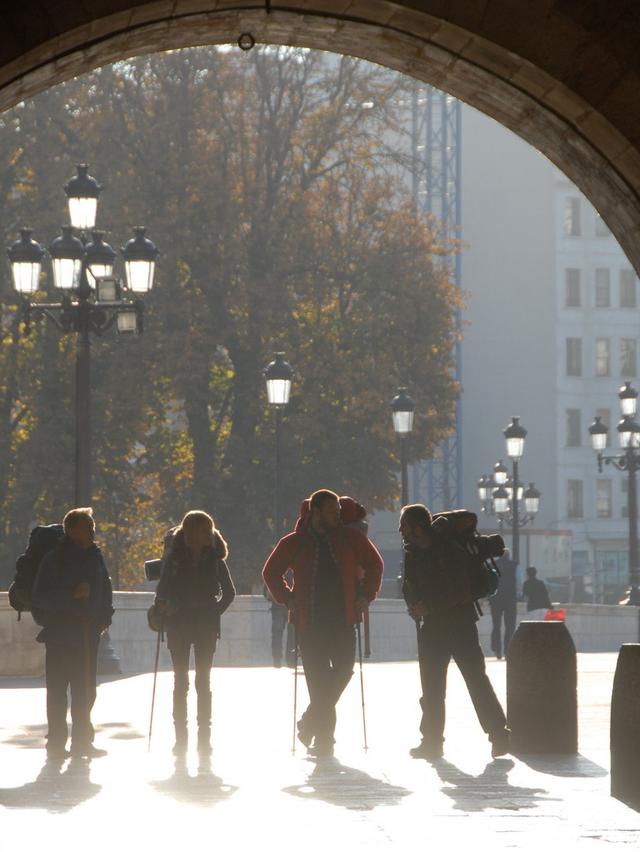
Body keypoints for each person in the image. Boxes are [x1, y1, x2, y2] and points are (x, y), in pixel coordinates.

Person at [262, 489, 383, 757]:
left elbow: (375, 564)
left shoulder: (350, 539)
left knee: (344, 671)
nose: (337, 517)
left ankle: (308, 722)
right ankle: (325, 740)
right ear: (315, 512)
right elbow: (270, 572)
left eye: (338, 512)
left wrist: (366, 595)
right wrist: (287, 598)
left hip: (343, 619)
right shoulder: (295, 542)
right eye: (331, 512)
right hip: (309, 622)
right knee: (317, 681)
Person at [400, 503, 510, 761]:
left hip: (460, 624)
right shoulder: (412, 553)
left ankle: (499, 735)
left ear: (418, 527)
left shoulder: (449, 551)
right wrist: (413, 605)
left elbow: (460, 590)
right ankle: (432, 741)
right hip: (432, 627)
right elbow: (408, 585)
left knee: (475, 680)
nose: (401, 531)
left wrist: (429, 605)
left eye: (404, 525)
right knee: (432, 687)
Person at [32, 507, 114, 760]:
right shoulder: (54, 560)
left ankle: (82, 742)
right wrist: (72, 595)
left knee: (86, 691)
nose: (93, 530)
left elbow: (106, 589)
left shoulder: (95, 556)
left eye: (92, 525)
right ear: (71, 530)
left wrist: (104, 618)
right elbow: (41, 598)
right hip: (60, 636)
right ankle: (56, 742)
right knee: (58, 691)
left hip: (88, 635)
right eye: (87, 526)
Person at [155, 510, 236, 756]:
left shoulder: (215, 559)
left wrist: (214, 612)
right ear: (191, 531)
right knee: (181, 682)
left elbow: (230, 592)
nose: (208, 534)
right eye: (203, 530)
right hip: (178, 624)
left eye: (209, 529)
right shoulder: (174, 558)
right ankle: (180, 737)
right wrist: (165, 605)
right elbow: (162, 590)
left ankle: (204, 736)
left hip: (204, 626)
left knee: (203, 681)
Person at [489, 549, 518, 659]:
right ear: (509, 555)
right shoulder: (515, 565)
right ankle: (508, 650)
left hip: (495, 599)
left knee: (496, 625)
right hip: (510, 599)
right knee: (510, 626)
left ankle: (497, 649)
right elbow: (519, 581)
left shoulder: (492, 564)